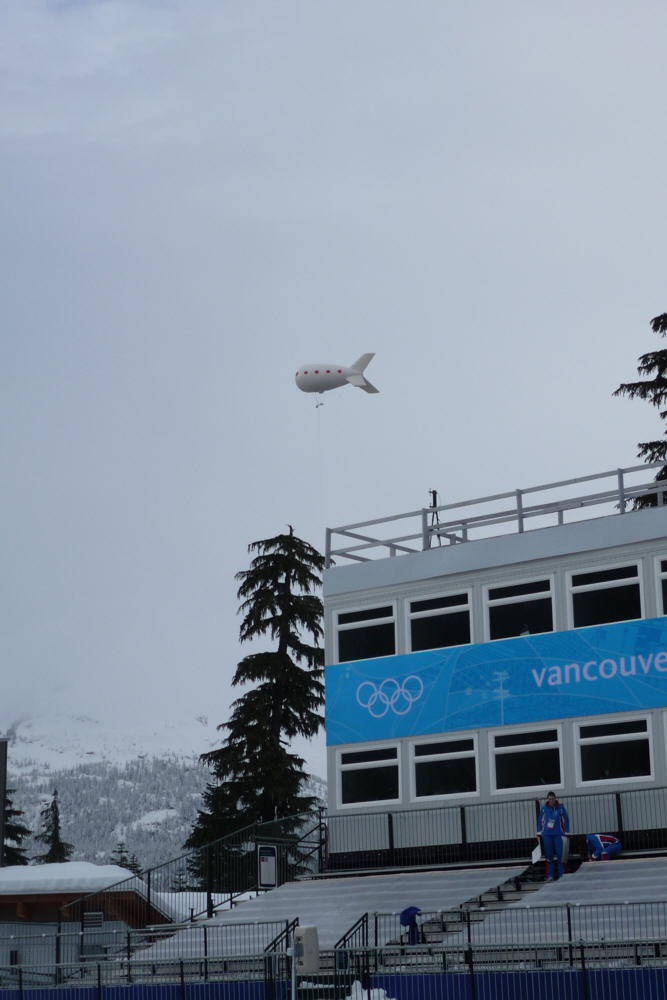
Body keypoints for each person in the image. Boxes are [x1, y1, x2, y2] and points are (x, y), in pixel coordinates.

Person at [536, 790, 570, 880]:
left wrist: (567, 831)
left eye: (553, 799)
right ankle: (550, 875)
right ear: (548, 799)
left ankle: (562, 874)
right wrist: (539, 832)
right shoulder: (544, 808)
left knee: (560, 855)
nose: (551, 800)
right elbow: (540, 821)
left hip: (558, 834)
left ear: (555, 799)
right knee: (549, 855)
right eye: (550, 799)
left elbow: (566, 820)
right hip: (547, 835)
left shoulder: (561, 808)